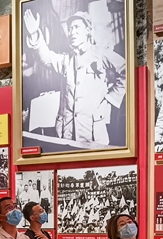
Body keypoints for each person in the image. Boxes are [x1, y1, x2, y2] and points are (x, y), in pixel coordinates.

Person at [22, 9, 126, 146]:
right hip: (67, 132)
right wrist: (34, 33)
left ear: (88, 30)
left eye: (77, 27)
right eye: (70, 29)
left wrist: (109, 98)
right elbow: (46, 57)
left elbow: (126, 70)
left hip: (92, 132)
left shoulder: (100, 53)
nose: (72, 32)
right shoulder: (67, 59)